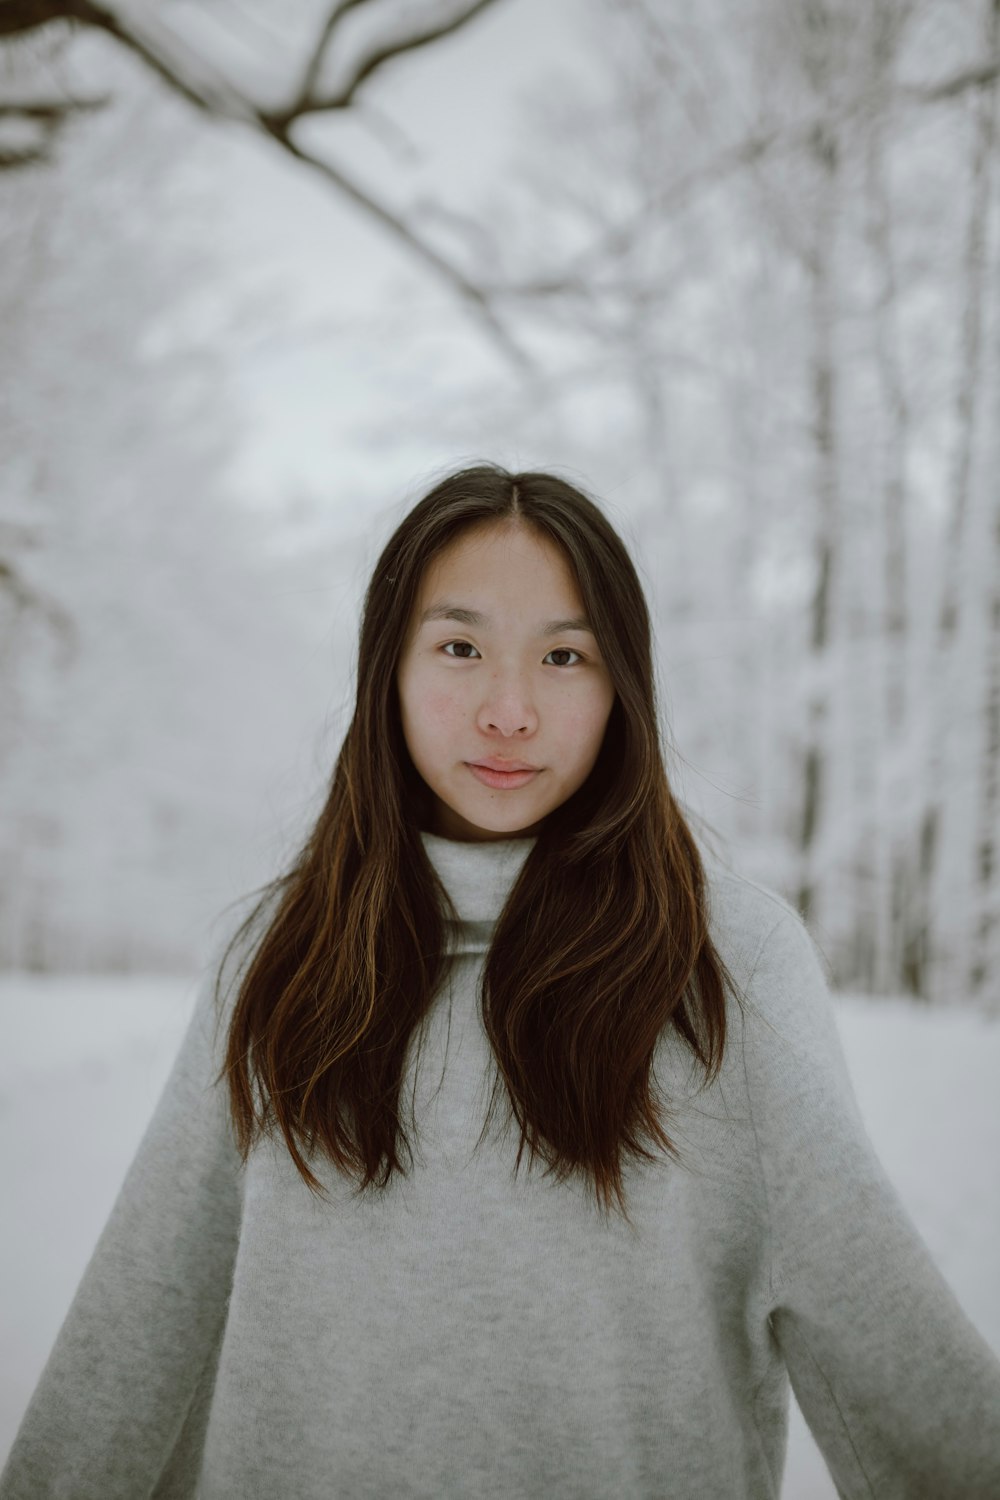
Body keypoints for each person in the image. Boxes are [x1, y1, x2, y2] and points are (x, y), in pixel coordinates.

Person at [2, 463, 999, 1500]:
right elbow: (144, 1324)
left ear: (625, 689)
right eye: (461, 648)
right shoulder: (279, 953)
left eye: (565, 656)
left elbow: (891, 1359)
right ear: (387, 669)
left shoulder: (723, 967)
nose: (508, 710)